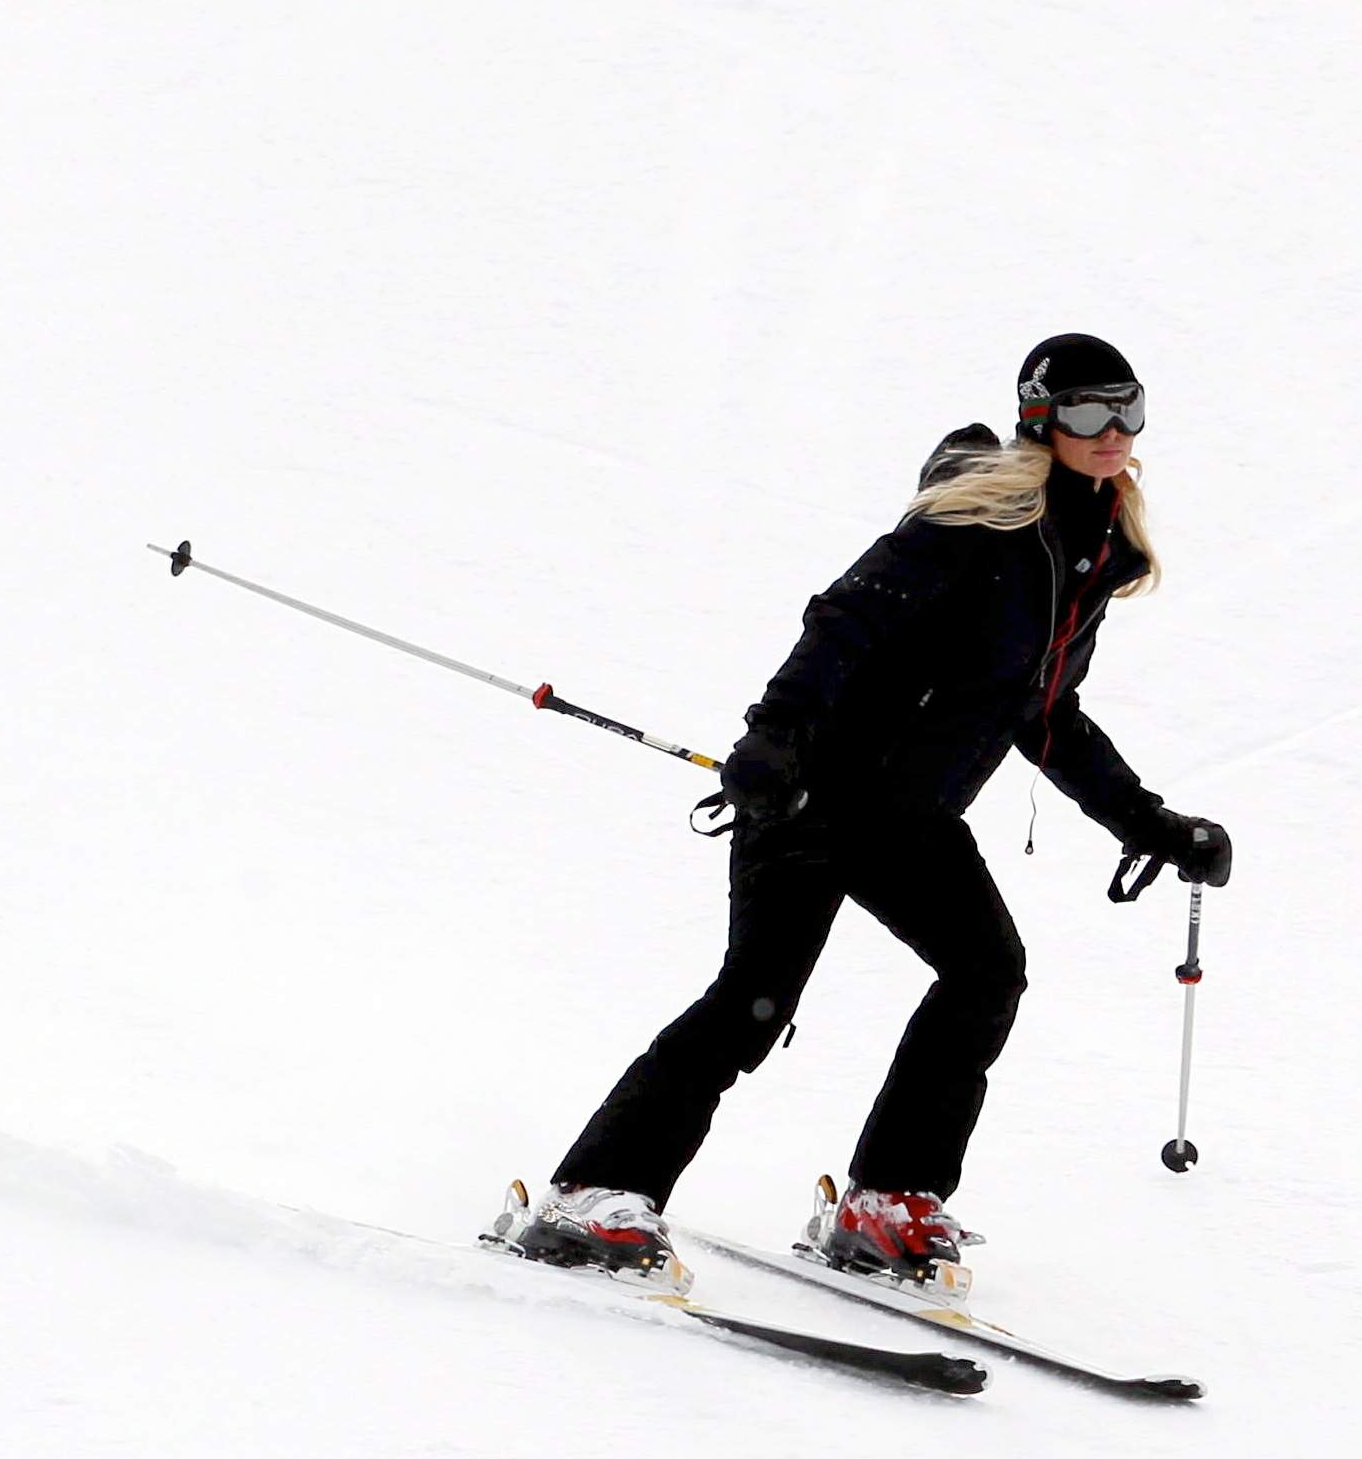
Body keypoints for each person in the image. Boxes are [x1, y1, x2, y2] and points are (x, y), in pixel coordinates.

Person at [515, 332, 1232, 1282]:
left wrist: (1147, 823)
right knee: (753, 1003)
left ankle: (887, 1199)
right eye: (1090, 411)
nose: (1114, 431)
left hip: (910, 820)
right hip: (816, 796)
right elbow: (844, 618)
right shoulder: (976, 520)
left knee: (986, 975)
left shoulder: (1091, 551)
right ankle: (592, 1197)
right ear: (1039, 417)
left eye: (1129, 409)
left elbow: (1044, 712)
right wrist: (773, 737)